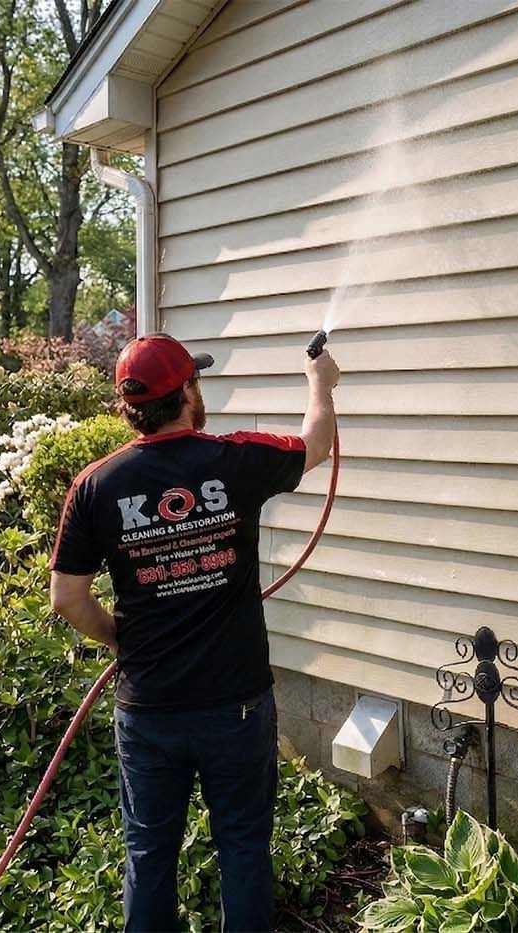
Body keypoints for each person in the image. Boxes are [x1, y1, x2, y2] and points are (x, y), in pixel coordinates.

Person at [49, 332, 340, 932]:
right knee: (242, 847)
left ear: (130, 405)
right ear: (186, 391)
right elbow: (314, 445)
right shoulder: (234, 459)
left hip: (150, 707)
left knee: (150, 853)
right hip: (234, 706)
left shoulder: (97, 485)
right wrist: (321, 384)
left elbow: (67, 597)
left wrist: (118, 638)